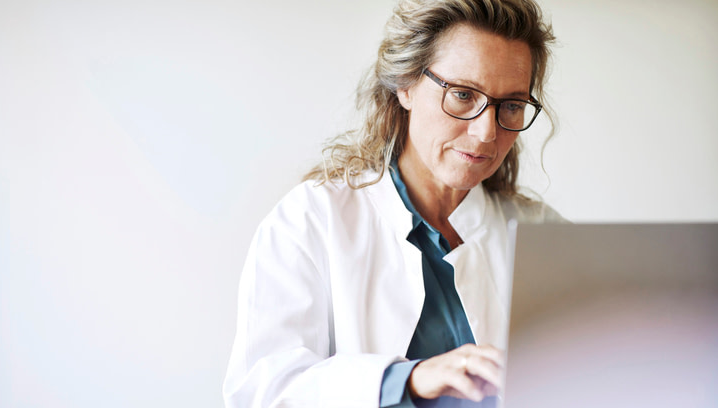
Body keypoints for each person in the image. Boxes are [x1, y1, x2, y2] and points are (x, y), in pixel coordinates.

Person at [223, 0, 564, 406]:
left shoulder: (541, 233)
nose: (486, 132)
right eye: (461, 94)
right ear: (405, 84)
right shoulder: (311, 220)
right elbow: (263, 391)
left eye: (510, 105)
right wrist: (408, 379)